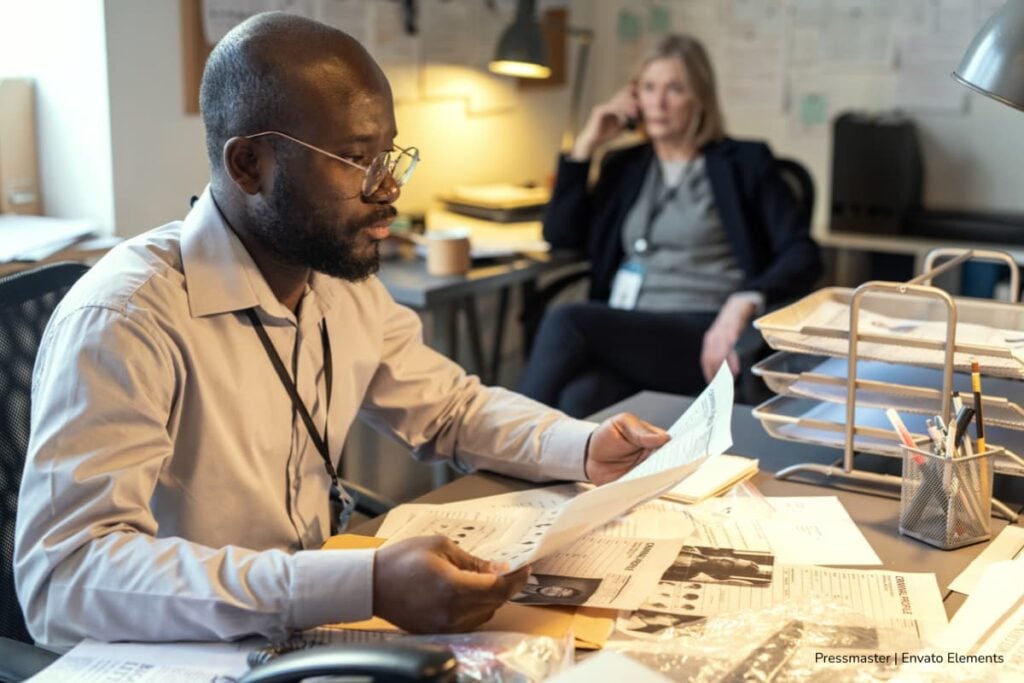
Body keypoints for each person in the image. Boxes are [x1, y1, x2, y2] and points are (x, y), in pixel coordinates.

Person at [13, 13, 673, 650]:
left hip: (309, 620)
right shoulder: (127, 318)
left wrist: (584, 446)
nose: (389, 189)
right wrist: (358, 582)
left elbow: (449, 408)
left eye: (390, 154)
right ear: (249, 166)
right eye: (358, 159)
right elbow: (64, 579)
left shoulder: (337, 281)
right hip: (190, 646)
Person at [518, 33, 822, 418]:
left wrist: (744, 300)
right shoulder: (624, 166)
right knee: (580, 399)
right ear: (634, 97)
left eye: (674, 89)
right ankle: (514, 469)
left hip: (704, 334)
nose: (658, 103)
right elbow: (561, 236)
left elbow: (802, 253)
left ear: (700, 98)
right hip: (630, 331)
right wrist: (585, 147)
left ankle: (496, 445)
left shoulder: (745, 163)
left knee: (566, 320)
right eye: (648, 88)